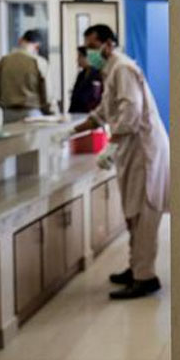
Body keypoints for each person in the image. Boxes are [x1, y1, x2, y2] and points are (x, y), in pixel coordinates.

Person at [73, 24, 170, 300]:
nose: (90, 52)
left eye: (93, 46)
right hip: (131, 150)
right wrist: (73, 131)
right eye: (87, 47)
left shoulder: (123, 68)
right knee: (131, 212)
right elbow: (106, 110)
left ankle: (145, 277)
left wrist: (111, 144)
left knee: (143, 213)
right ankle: (135, 267)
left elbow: (131, 112)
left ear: (108, 44)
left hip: (143, 151)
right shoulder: (111, 69)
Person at [0, 30, 53, 124]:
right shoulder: (39, 62)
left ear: (20, 40)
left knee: (9, 134)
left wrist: (5, 105)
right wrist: (53, 114)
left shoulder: (3, 61)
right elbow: (47, 95)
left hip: (8, 114)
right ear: (37, 46)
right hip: (31, 113)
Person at [68, 46, 102, 114]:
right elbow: (74, 96)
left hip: (89, 113)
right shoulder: (81, 75)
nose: (77, 60)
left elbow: (95, 97)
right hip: (77, 112)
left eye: (80, 57)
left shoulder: (97, 75)